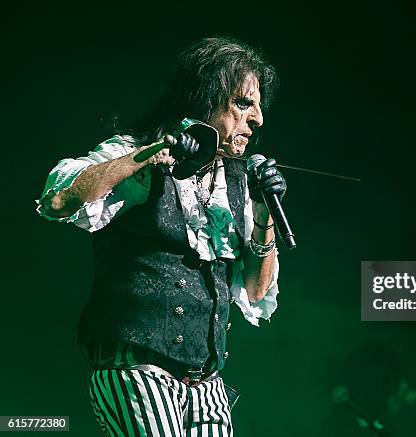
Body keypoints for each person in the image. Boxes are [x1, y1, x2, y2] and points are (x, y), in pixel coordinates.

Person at [35, 36, 285, 436]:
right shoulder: (138, 153)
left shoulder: (236, 188)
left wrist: (263, 215)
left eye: (258, 107)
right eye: (243, 103)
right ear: (206, 97)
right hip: (137, 370)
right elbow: (60, 202)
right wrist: (147, 156)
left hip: (208, 386)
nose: (257, 119)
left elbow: (255, 293)